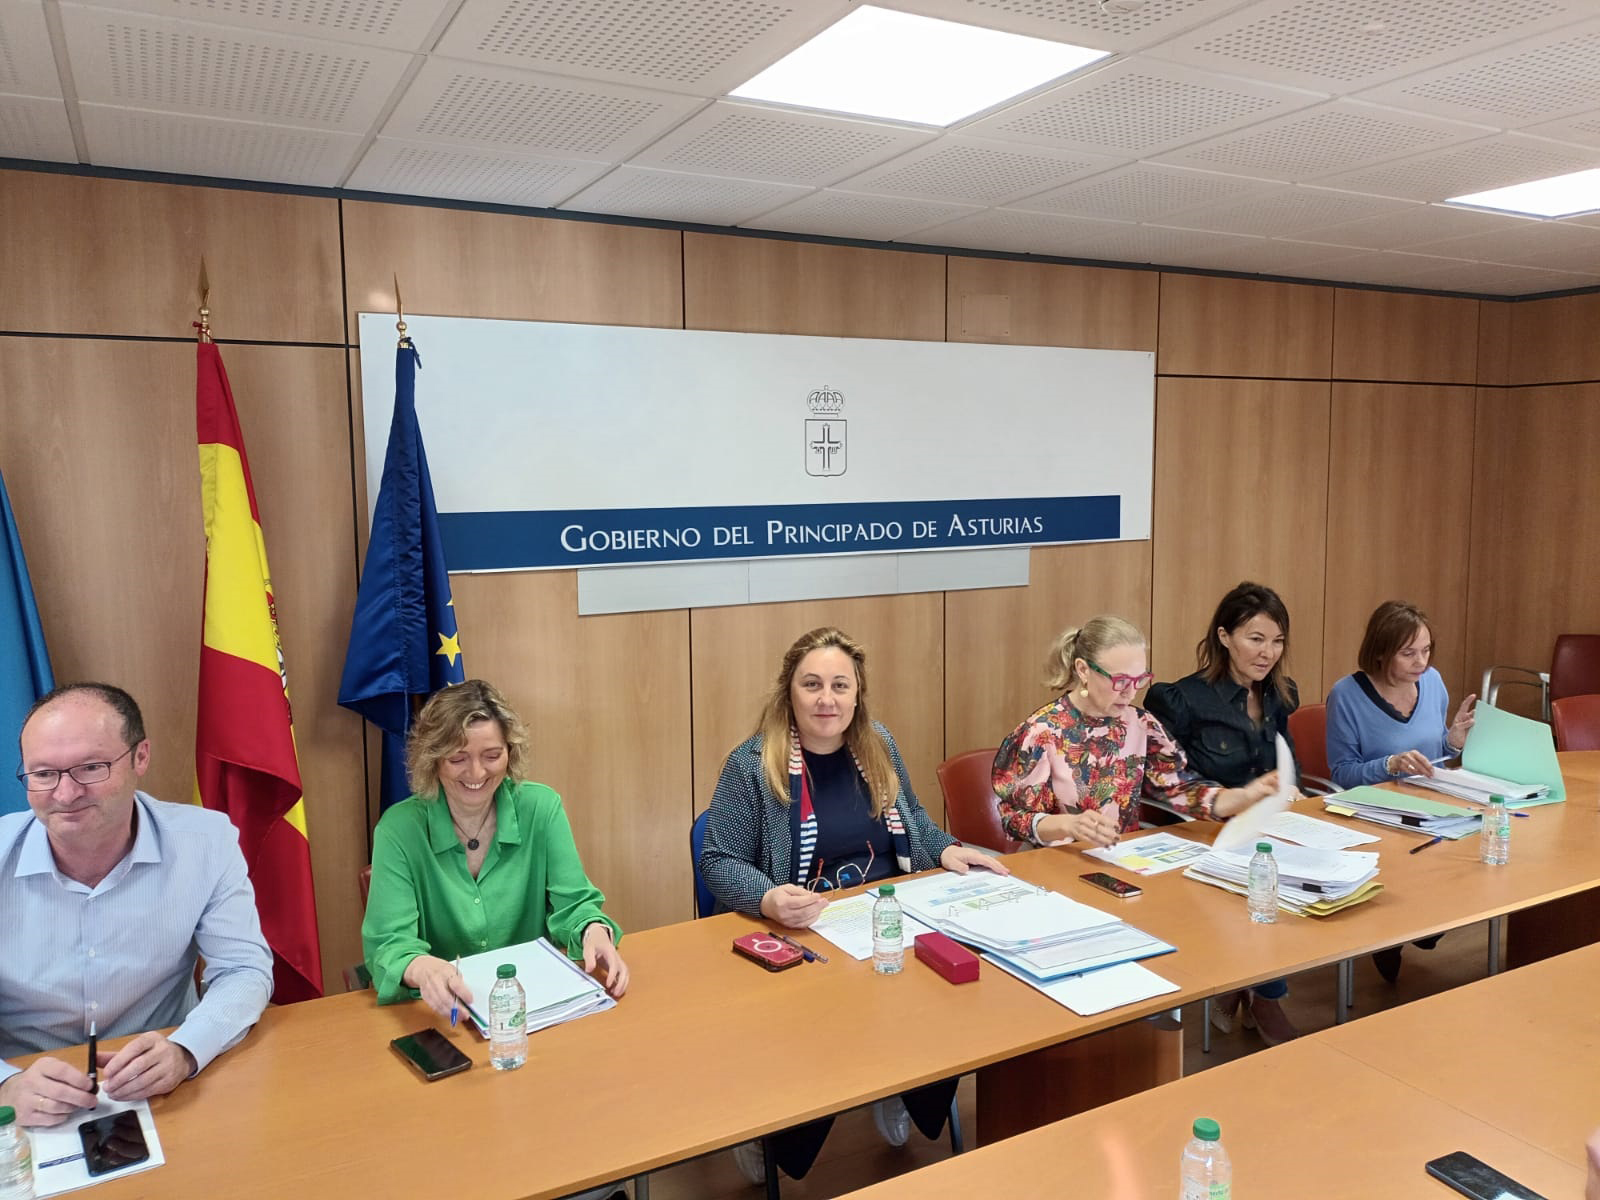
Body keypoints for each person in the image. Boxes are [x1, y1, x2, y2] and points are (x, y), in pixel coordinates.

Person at [699, 627, 1005, 1183]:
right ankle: (772, 1132)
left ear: (858, 692)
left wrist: (948, 849)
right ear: (788, 691)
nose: (827, 699)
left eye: (840, 685)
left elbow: (915, 825)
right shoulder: (753, 764)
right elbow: (718, 859)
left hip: (886, 918)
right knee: (817, 1024)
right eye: (812, 684)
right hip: (804, 933)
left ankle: (901, 1087)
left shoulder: (877, 744)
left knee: (949, 993)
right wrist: (767, 897)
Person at [1, 683, 273, 1127]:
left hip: (166, 1089)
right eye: (44, 774)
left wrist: (187, 1049)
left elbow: (244, 969)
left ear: (140, 757)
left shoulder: (206, 843)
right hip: (26, 1097)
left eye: (91, 768)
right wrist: (5, 1085)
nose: (65, 794)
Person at [362, 679, 629, 1015]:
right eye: (458, 757)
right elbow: (389, 944)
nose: (476, 772)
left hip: (533, 1005)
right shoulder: (399, 829)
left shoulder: (541, 808)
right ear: (433, 758)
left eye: (491, 756)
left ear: (510, 753)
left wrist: (594, 931)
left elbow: (575, 905)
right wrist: (421, 968)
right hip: (443, 1013)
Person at [1146, 583, 1301, 1045]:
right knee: (1266, 879)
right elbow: (1165, 783)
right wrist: (1232, 799)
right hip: (1202, 834)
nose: (1268, 653)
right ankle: (1266, 997)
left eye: (1277, 641)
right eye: (1256, 639)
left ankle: (1246, 987)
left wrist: (1286, 786)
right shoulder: (1181, 700)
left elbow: (1286, 761)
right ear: (1224, 636)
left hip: (1265, 826)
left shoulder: (1279, 695)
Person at [992, 615, 1280, 850]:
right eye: (1119, 681)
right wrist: (1069, 825)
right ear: (1083, 670)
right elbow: (1014, 819)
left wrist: (1244, 796)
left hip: (1120, 858)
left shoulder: (1141, 725)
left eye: (1139, 679)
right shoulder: (1043, 732)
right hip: (1057, 862)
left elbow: (1179, 788)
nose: (1130, 692)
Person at [1326, 600, 1477, 982]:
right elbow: (1341, 773)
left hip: (1432, 805)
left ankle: (1415, 924)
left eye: (1426, 651)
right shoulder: (1347, 695)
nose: (1420, 662)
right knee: (1411, 878)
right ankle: (1391, 935)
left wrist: (1454, 741)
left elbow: (1435, 754)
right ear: (1381, 651)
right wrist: (1390, 764)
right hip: (1375, 813)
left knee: (1471, 860)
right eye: (1408, 653)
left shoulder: (1433, 682)